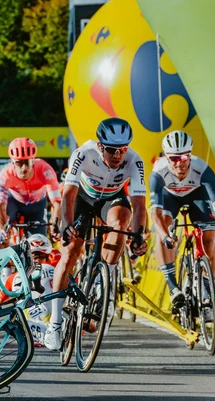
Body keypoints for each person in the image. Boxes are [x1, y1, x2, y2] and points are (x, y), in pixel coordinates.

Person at [49, 118, 148, 350]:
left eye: (122, 149)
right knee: (71, 251)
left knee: (123, 221)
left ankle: (105, 282)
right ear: (101, 145)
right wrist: (66, 224)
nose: (117, 155)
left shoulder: (135, 160)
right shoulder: (83, 153)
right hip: (83, 198)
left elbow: (140, 205)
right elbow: (68, 195)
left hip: (111, 199)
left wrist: (138, 235)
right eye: (112, 149)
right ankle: (54, 321)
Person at [149, 130, 215, 313]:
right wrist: (165, 236)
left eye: (185, 157)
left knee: (208, 239)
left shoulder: (202, 168)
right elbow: (155, 214)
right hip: (170, 196)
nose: (180, 163)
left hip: (196, 195)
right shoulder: (158, 172)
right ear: (166, 157)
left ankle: (207, 288)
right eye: (174, 158)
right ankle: (173, 287)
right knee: (163, 227)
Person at [0, 138, 61, 247]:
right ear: (12, 162)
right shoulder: (4, 175)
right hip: (13, 201)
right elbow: (0, 205)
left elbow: (57, 202)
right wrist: (1, 230)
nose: (24, 168)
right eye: (19, 163)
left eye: (27, 162)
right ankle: (2, 260)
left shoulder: (45, 170)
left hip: (37, 204)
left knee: (39, 245)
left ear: (33, 160)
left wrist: (56, 225)